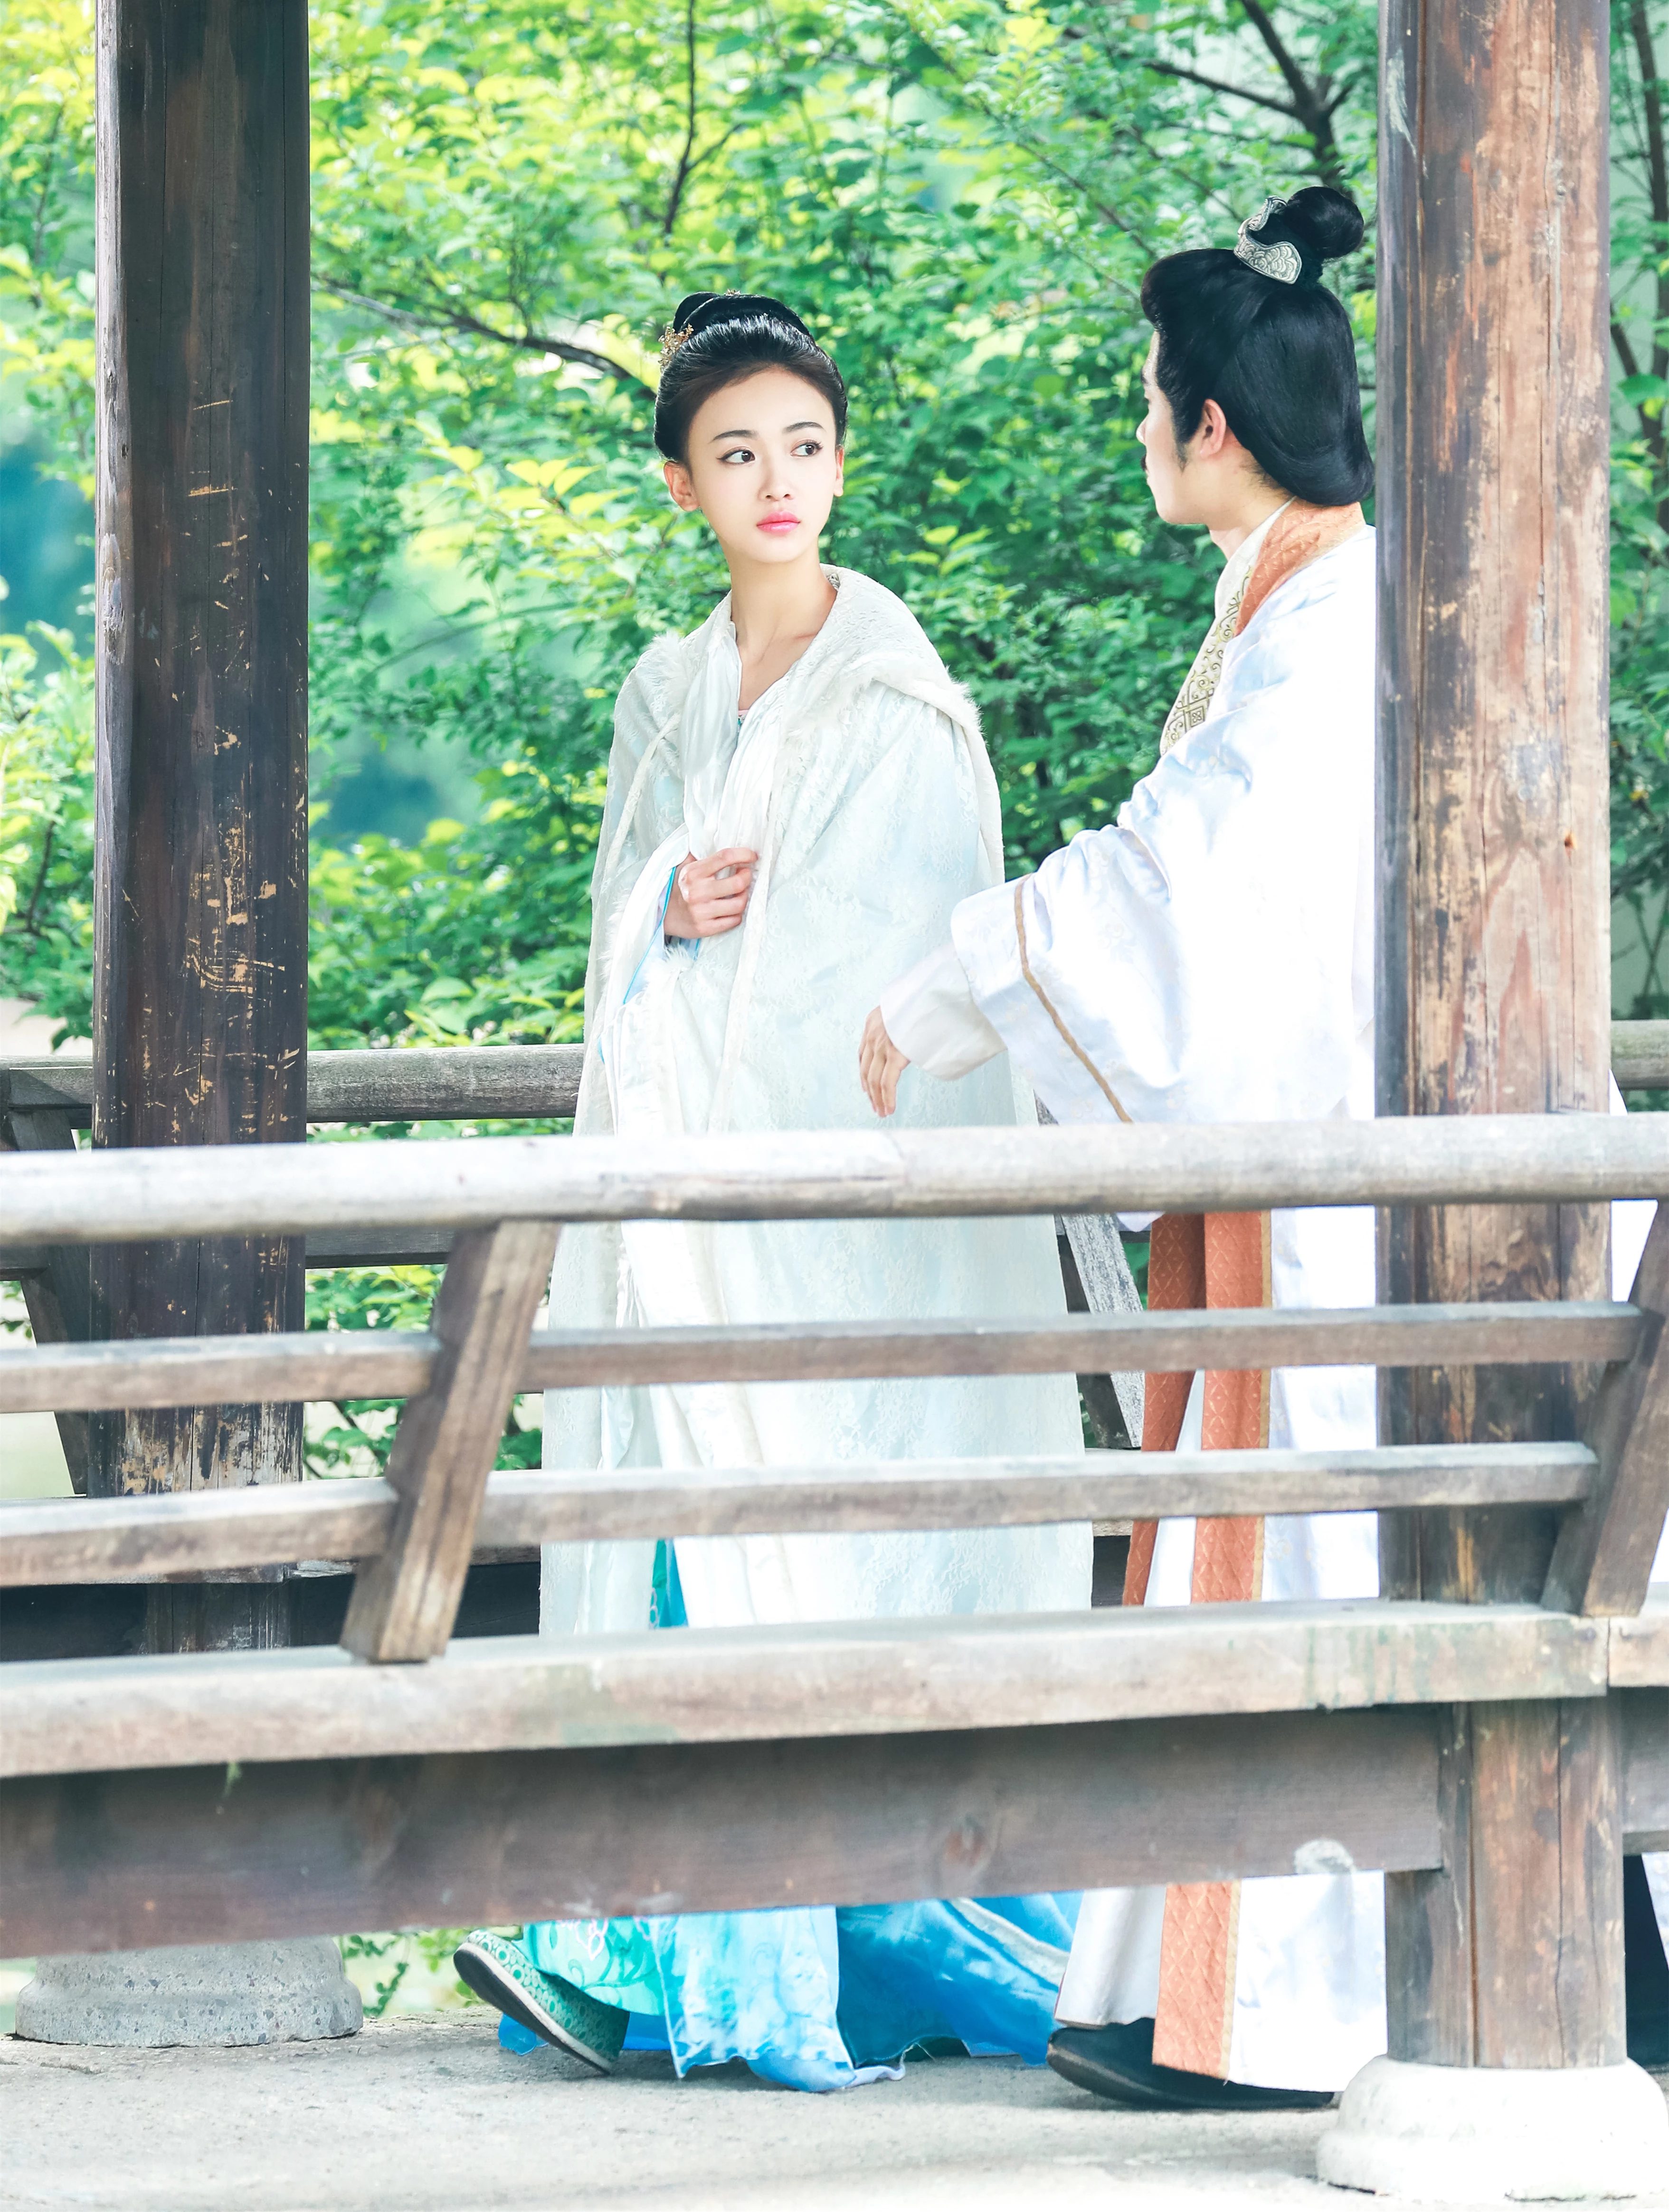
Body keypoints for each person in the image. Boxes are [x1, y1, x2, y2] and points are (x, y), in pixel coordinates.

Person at [862, 185, 1669, 2107]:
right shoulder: (1309, 605)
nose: (1139, 427)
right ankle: (1211, 1999)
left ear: (1209, 424)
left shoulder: (1332, 634)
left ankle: (1299, 2012)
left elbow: (1181, 894)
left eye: (1147, 396)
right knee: (1292, 1547)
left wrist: (956, 980)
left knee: (1319, 1554)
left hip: (1370, 1204)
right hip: (1344, 1184)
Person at [454, 292, 1091, 2089]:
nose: (777, 479)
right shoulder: (666, 688)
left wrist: (747, 973)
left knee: (811, 1546)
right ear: (683, 483)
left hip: (829, 1206)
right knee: (676, 1529)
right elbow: (624, 926)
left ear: (840, 463)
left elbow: (898, 965)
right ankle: (629, 1948)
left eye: (803, 446)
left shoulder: (897, 694)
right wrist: (661, 903)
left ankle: (808, 1952)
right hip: (680, 1189)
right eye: (736, 453)